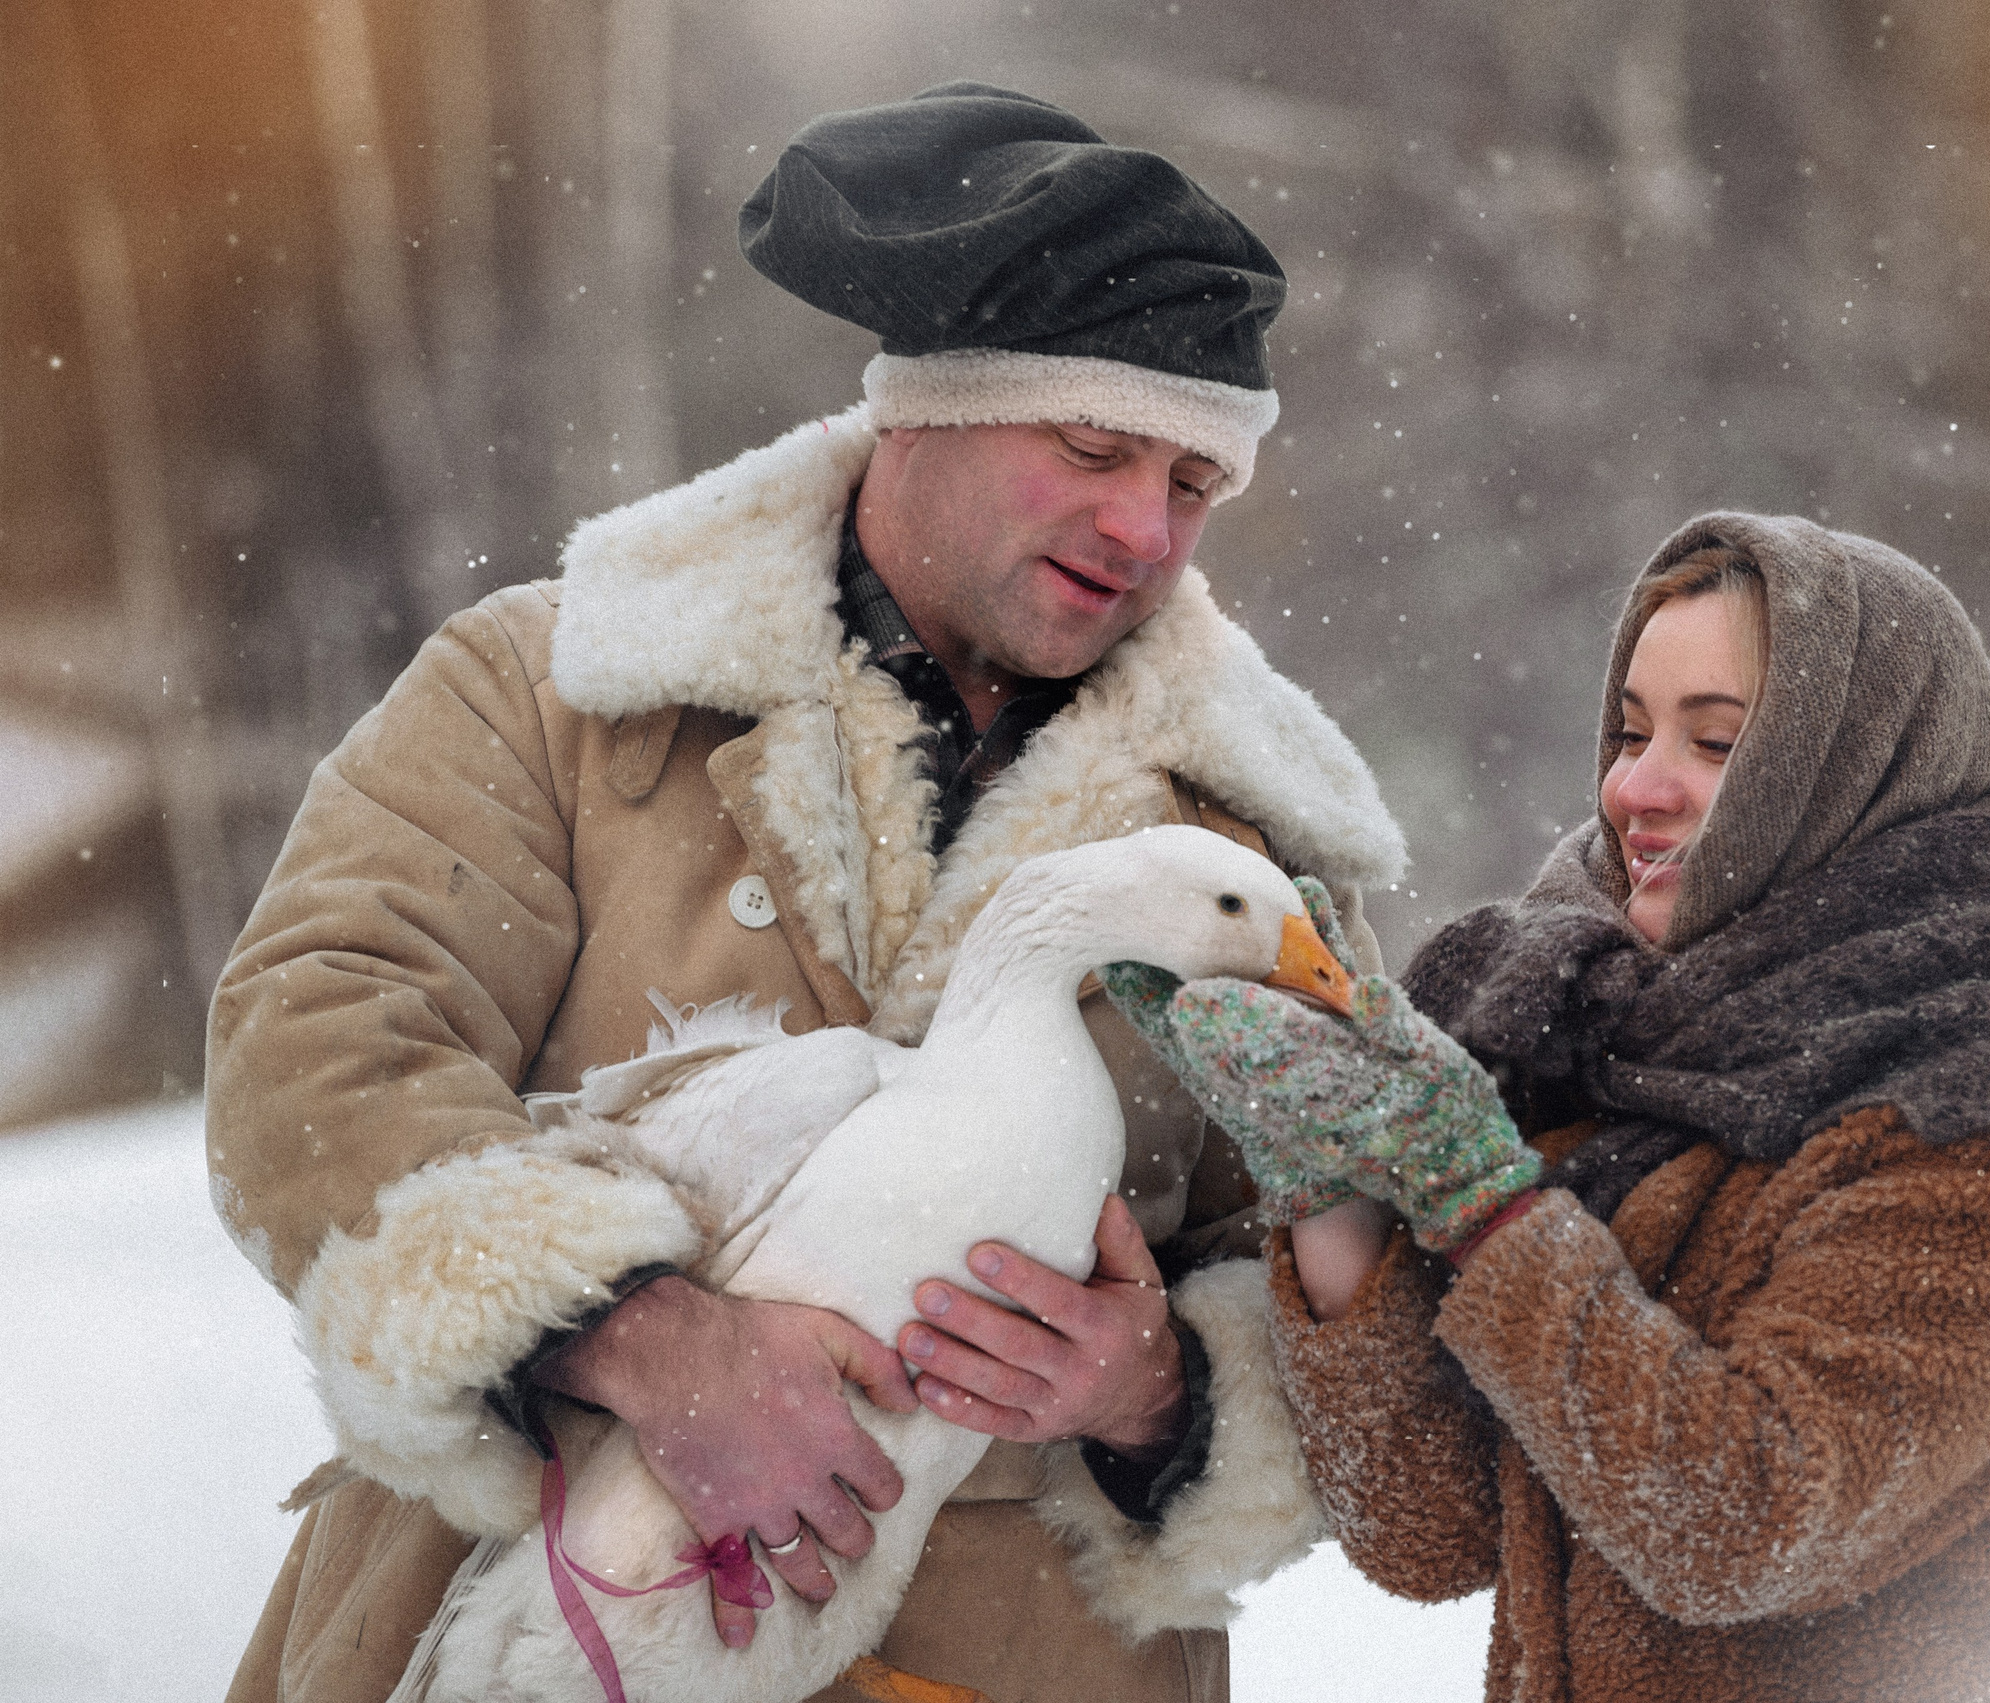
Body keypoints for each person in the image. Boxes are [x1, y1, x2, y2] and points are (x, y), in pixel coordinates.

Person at [207, 83, 1405, 1703]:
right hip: (536, 1621)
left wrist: (1165, 1391)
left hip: (1031, 1653)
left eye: (1196, 484)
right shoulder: (556, 692)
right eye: (1097, 445)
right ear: (922, 412)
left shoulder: (1262, 852)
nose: (1145, 525)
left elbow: (1354, 1269)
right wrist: (643, 1342)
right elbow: (318, 1048)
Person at [1120, 512, 1990, 1699]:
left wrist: (1478, 1198)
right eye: (1630, 730)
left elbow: (1740, 1521)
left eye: (1717, 739)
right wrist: (1335, 1187)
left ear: (1848, 771)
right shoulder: (1618, 1050)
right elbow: (1430, 1528)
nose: (1635, 783)